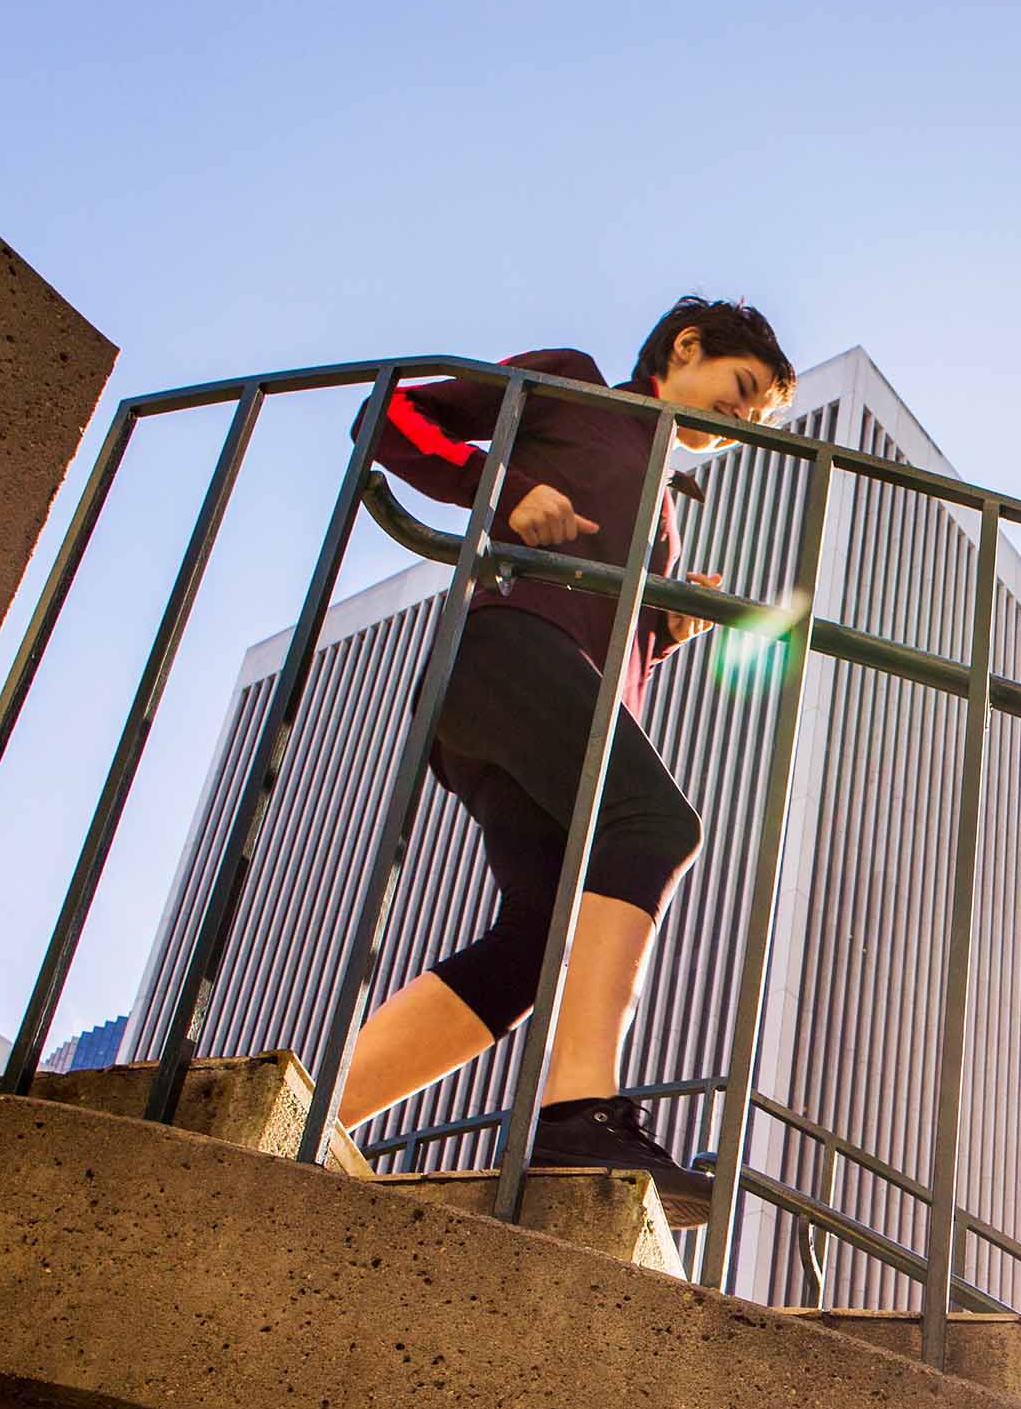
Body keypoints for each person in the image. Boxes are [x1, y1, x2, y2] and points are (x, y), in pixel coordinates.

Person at [326, 299, 795, 1224]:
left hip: (550, 684)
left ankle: (313, 1119)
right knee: (657, 824)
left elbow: (612, 640)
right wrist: (499, 488)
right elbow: (393, 411)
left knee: (539, 943)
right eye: (741, 393)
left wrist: (664, 626)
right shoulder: (572, 386)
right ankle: (577, 1113)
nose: (740, 423)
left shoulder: (661, 498)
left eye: (758, 424)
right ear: (685, 348)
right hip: (505, 653)